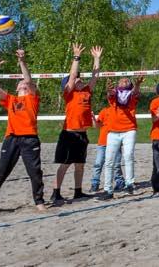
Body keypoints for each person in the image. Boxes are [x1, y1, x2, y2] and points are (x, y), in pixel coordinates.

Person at [0, 50, 46, 215]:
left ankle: (39, 202)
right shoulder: (11, 99)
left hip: (30, 139)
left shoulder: (32, 99)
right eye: (20, 83)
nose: (23, 84)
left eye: (25, 84)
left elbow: (29, 80)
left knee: (34, 172)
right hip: (11, 139)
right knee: (2, 171)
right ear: (16, 87)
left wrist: (22, 61)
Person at [51, 43, 102, 205]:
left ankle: (78, 192)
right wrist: (76, 57)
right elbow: (72, 75)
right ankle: (56, 193)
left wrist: (97, 58)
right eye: (76, 79)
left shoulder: (86, 91)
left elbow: (95, 76)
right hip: (69, 134)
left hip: (82, 134)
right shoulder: (69, 93)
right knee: (65, 165)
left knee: (79, 165)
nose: (79, 79)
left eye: (80, 78)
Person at [98, 74, 143, 200]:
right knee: (109, 161)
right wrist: (109, 88)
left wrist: (138, 84)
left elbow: (135, 92)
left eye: (126, 80)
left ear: (130, 84)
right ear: (118, 85)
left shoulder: (132, 96)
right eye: (121, 80)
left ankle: (130, 183)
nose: (124, 81)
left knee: (128, 156)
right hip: (113, 131)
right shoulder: (114, 95)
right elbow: (110, 93)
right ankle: (108, 189)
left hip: (129, 129)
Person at [90, 105, 125, 193]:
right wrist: (93, 119)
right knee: (98, 163)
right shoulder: (104, 111)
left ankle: (120, 181)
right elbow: (97, 126)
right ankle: (95, 183)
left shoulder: (121, 111)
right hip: (103, 143)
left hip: (115, 143)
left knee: (116, 164)